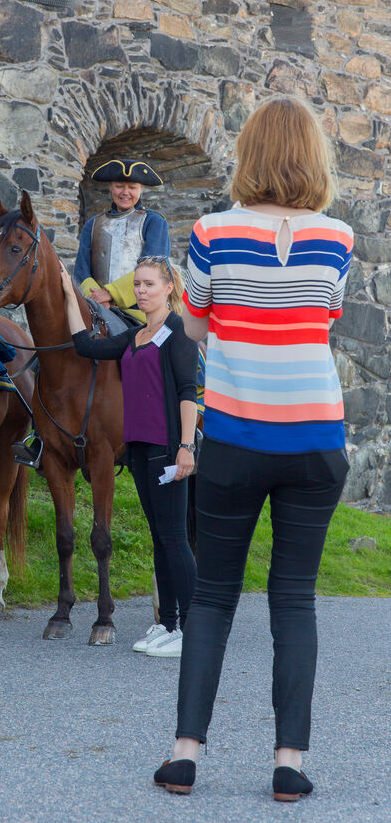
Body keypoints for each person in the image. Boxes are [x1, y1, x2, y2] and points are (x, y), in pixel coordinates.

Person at [153, 97, 353, 800]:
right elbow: (323, 318)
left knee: (213, 596)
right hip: (316, 438)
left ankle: (185, 754)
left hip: (237, 437)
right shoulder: (338, 238)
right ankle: (289, 764)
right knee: (293, 598)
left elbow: (194, 325)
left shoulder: (213, 231)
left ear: (250, 154)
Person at [61, 254, 199, 658]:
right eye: (137, 284)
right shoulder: (136, 335)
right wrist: (69, 292)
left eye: (149, 284)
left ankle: (195, 630)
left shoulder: (178, 331)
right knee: (160, 538)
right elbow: (85, 345)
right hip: (137, 449)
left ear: (168, 287)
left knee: (175, 539)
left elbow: (187, 392)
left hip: (168, 448)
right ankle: (167, 623)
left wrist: (186, 448)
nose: (141, 290)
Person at [75, 159, 170, 322]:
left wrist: (111, 294)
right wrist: (98, 300)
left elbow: (153, 268)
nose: (125, 192)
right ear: (111, 187)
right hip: (96, 308)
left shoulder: (154, 222)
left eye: (132, 187)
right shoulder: (92, 224)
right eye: (119, 186)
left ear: (141, 189)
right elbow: (81, 270)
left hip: (140, 312)